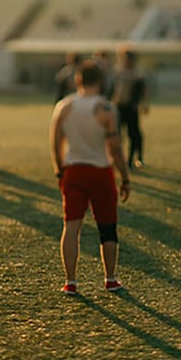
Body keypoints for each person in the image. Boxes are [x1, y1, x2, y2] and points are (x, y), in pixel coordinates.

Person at [50, 59, 131, 296]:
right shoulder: (106, 108)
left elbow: (55, 141)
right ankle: (110, 278)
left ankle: (71, 282)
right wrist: (125, 177)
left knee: (71, 226)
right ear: (101, 81)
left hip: (73, 169)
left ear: (77, 80)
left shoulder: (64, 106)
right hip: (99, 171)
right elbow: (115, 148)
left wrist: (59, 169)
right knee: (107, 227)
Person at [111, 46, 149, 168]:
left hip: (131, 106)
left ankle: (135, 157)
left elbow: (144, 90)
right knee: (117, 133)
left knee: (134, 133)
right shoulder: (117, 70)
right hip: (118, 106)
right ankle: (118, 157)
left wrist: (145, 103)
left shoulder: (138, 72)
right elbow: (112, 88)